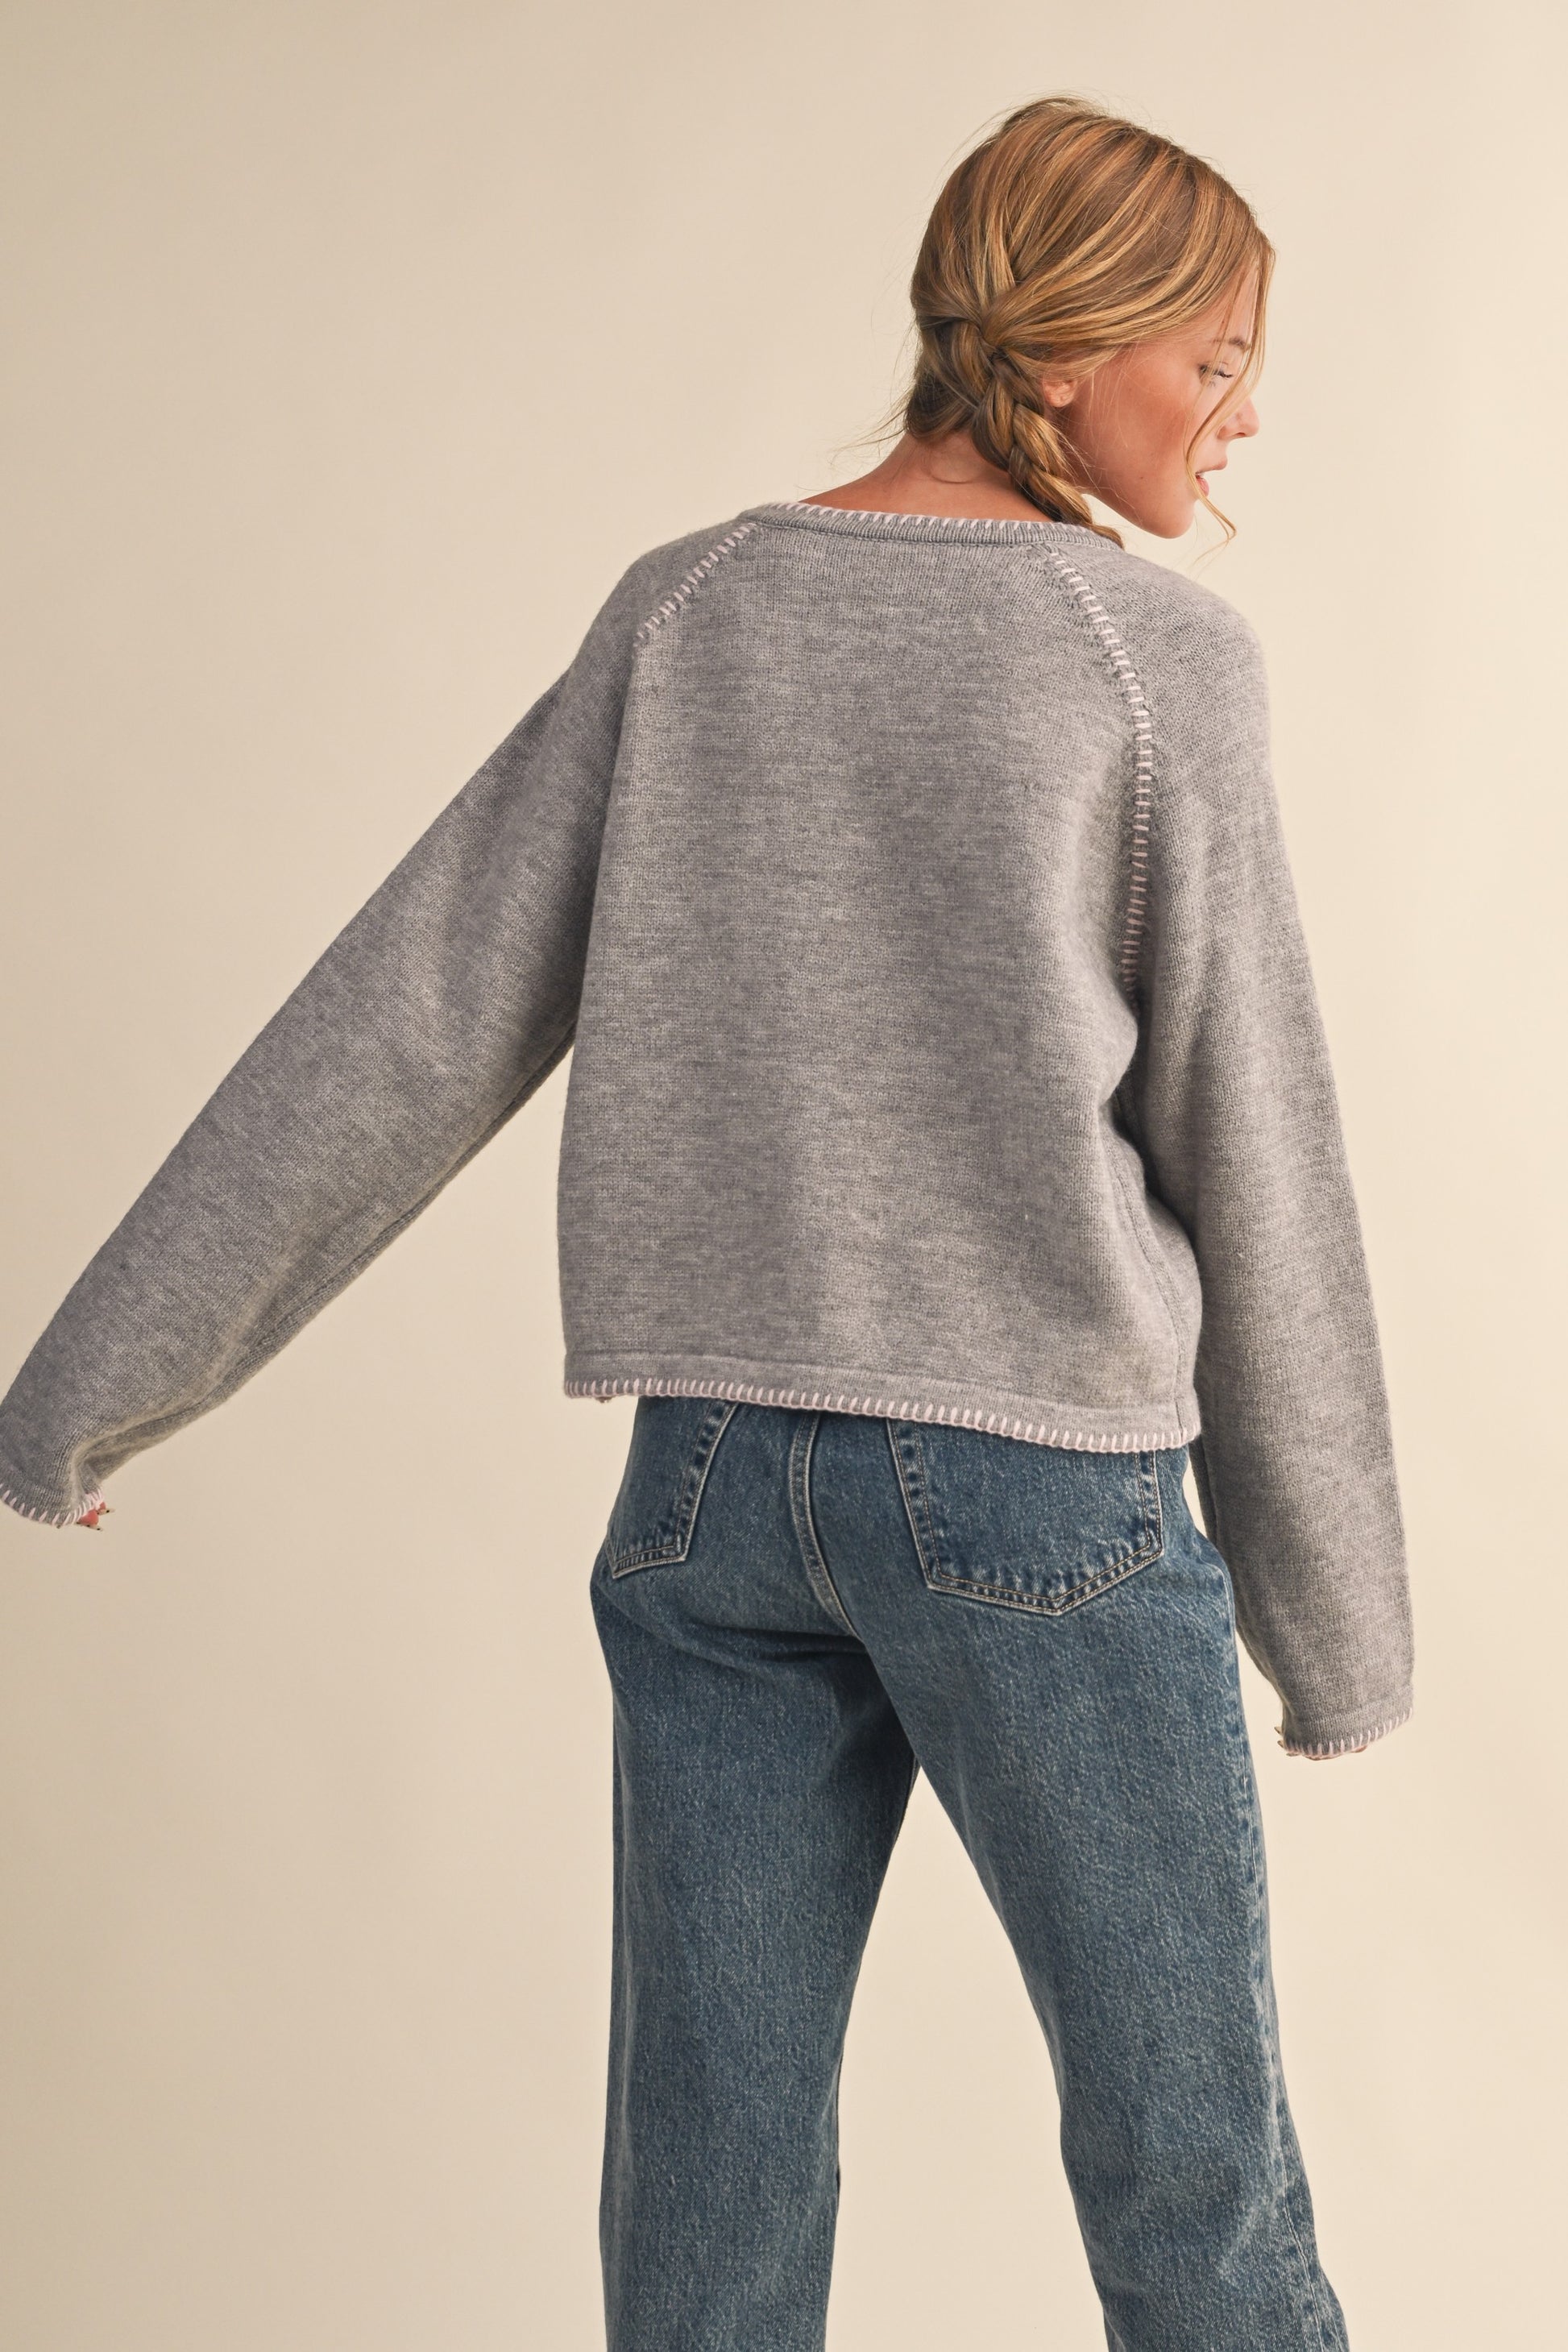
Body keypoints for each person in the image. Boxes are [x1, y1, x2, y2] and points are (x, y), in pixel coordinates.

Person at [0, 93, 1411, 2352]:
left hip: (711, 1490)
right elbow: (1255, 1137)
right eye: (1216, 357)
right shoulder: (1151, 662)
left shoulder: (691, 609)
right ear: (1064, 352)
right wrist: (1338, 1622)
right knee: (1193, 2190)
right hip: (1038, 1496)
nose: (1243, 412)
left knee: (706, 2206)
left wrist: (94, 1385)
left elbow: (412, 1014)